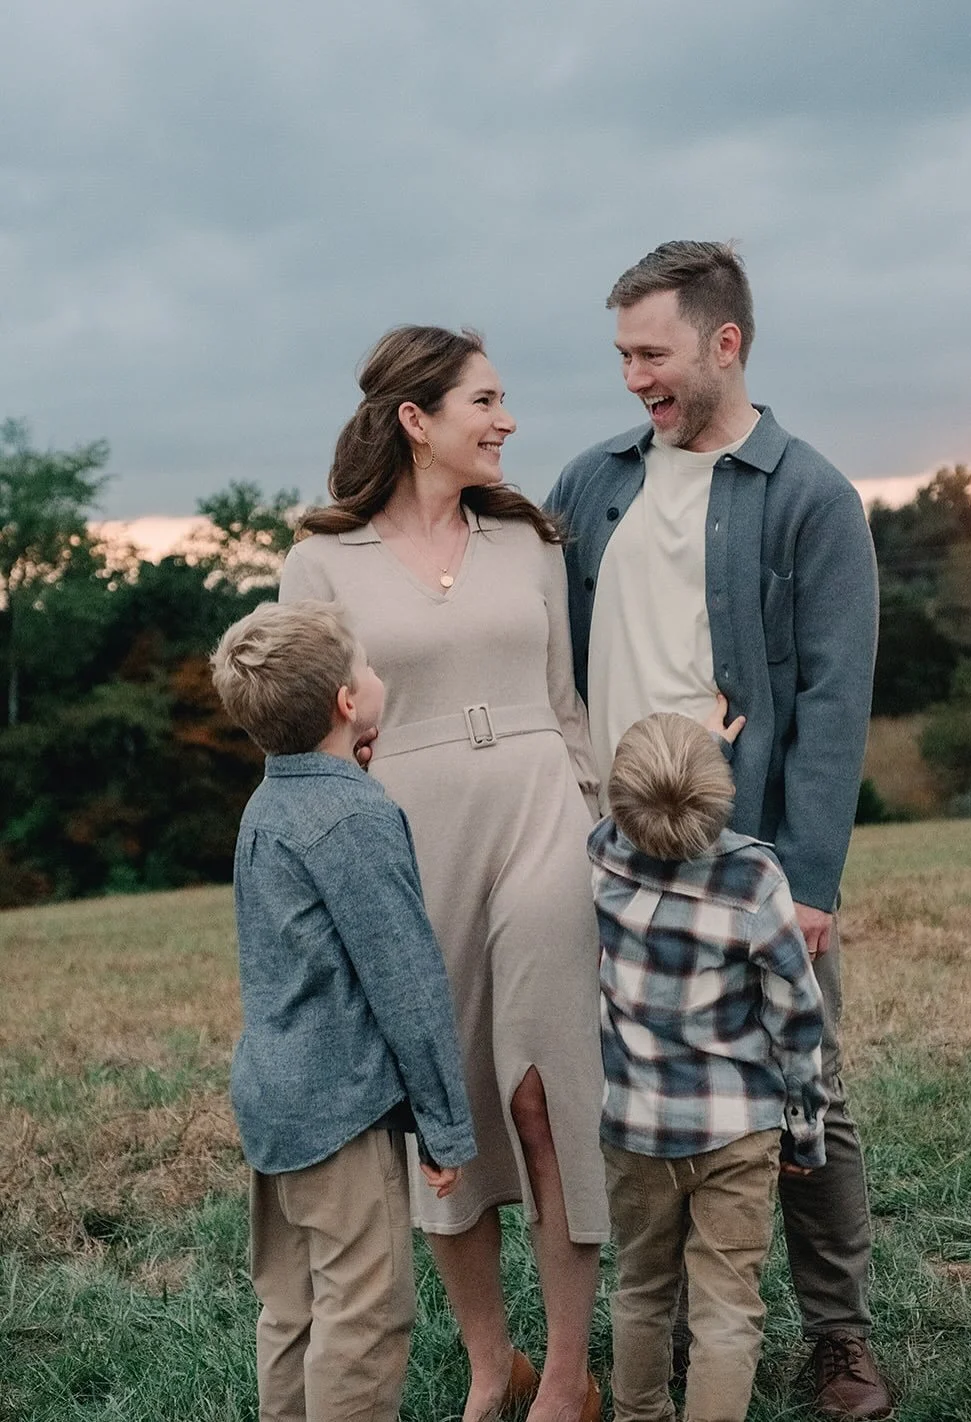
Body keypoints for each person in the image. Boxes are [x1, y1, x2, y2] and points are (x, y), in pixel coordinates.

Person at [546, 242, 892, 1420]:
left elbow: (836, 703)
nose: (632, 377)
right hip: (610, 854)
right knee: (638, 1094)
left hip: (745, 863)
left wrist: (806, 877)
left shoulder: (808, 497)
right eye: (621, 355)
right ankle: (676, 1326)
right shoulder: (589, 484)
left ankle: (837, 1337)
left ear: (723, 342)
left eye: (651, 353)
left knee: (807, 1095)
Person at [278, 326, 607, 1422]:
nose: (506, 419)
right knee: (447, 1106)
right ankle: (490, 1366)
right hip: (405, 836)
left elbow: (566, 702)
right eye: (485, 399)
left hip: (540, 813)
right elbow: (304, 730)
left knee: (545, 1094)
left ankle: (565, 1379)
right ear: (416, 420)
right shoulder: (321, 560)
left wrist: (599, 816)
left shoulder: (531, 541)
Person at [210, 597, 477, 1422]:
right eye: (367, 667)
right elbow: (406, 981)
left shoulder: (270, 802)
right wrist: (444, 1122)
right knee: (366, 1313)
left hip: (274, 1101)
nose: (377, 675)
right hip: (337, 1110)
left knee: (291, 1311)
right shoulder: (355, 814)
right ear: (347, 704)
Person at [591, 704, 827, 1422]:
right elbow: (796, 1016)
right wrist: (806, 1131)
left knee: (640, 1289)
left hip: (634, 1130)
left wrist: (687, 759)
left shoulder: (602, 852)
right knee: (726, 1308)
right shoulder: (753, 877)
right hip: (736, 1133)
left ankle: (639, 1413)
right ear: (716, 797)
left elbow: (649, 809)